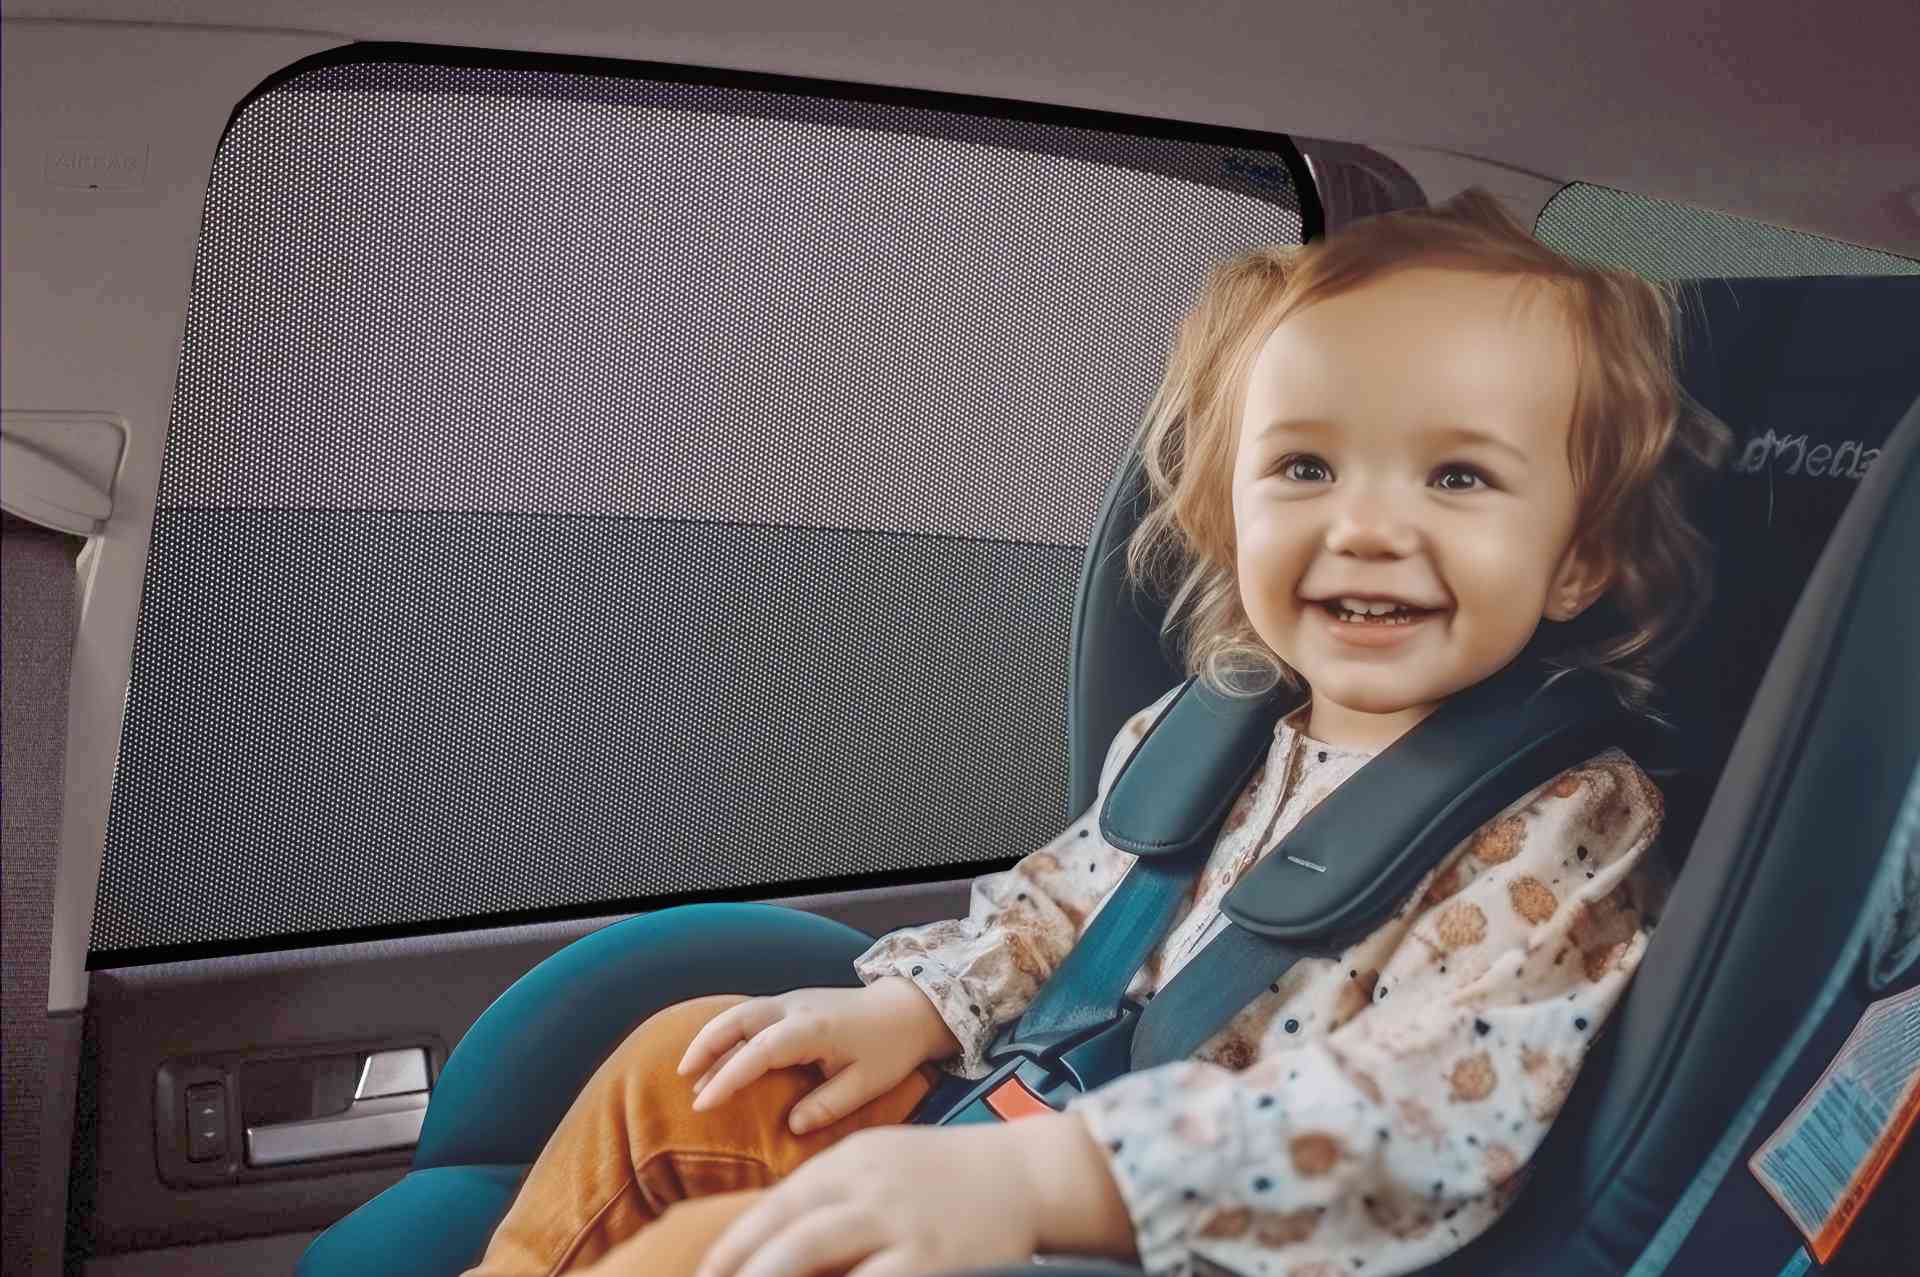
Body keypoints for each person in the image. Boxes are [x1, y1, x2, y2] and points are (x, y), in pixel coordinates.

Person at [461, 186, 1732, 1277]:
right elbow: (1061, 911)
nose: (1367, 528)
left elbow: (1434, 1112)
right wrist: (918, 1009)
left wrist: (1057, 1177)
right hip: (1033, 1133)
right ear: (1227, 509)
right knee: (686, 1065)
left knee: (709, 1257)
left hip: (1195, 1232)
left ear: (1577, 558)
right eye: (1305, 467)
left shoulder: (1568, 821)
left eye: (1457, 477)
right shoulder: (1211, 724)